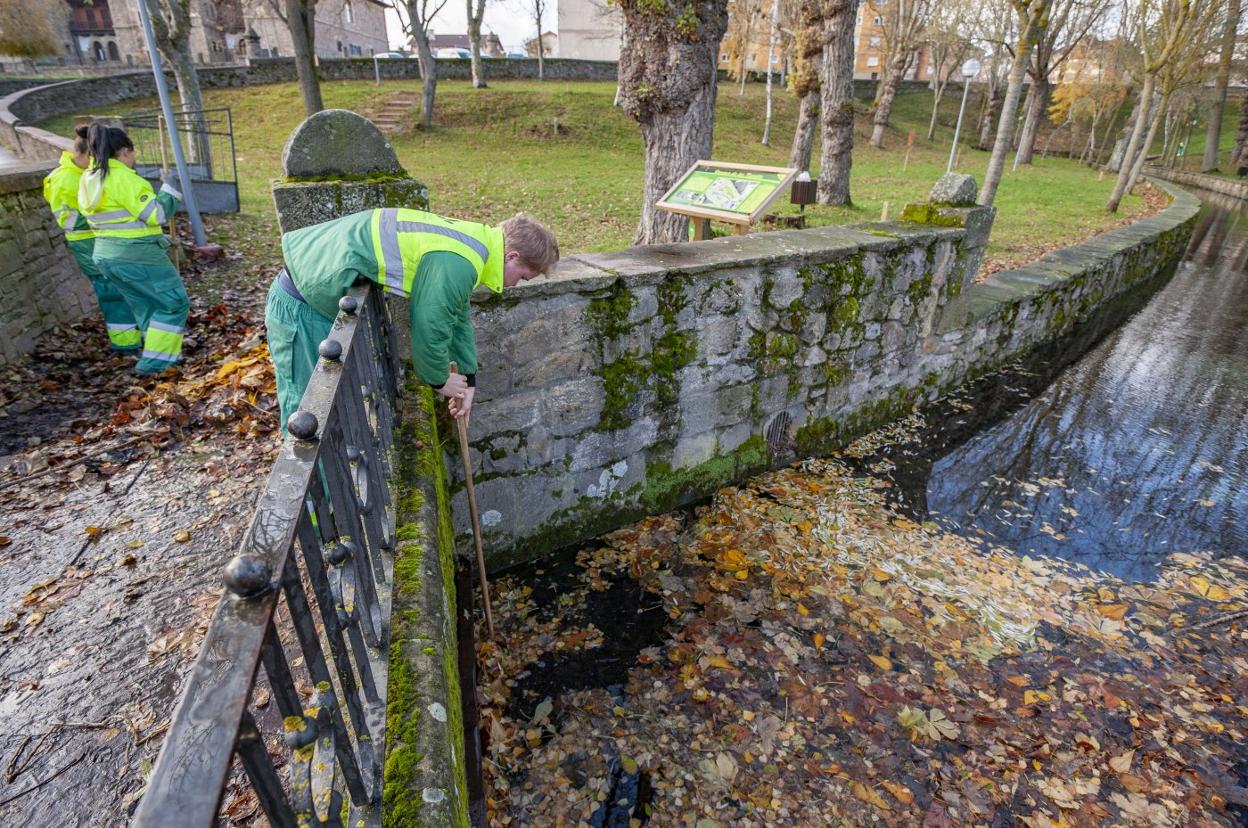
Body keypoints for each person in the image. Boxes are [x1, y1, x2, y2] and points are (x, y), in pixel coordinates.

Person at [267, 208, 559, 427]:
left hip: (316, 290)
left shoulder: (472, 246)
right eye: (522, 277)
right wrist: (438, 379)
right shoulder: (458, 260)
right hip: (301, 303)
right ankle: (311, 505)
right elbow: (430, 322)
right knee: (306, 416)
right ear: (512, 256)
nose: (514, 285)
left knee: (325, 414)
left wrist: (467, 378)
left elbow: (455, 316)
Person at [78, 123, 190, 375]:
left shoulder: (89, 178)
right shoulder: (124, 178)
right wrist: (170, 189)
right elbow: (156, 214)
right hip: (138, 255)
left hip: (106, 255)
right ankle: (156, 364)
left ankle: (159, 354)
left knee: (148, 305)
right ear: (125, 151)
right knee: (173, 304)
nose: (134, 159)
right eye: (133, 154)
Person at [43, 126, 143, 354]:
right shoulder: (65, 180)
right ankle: (126, 344)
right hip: (88, 244)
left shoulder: (81, 175)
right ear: (88, 154)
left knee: (124, 289)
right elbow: (71, 221)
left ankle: (137, 336)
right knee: (111, 291)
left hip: (102, 241)